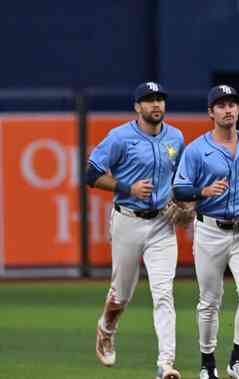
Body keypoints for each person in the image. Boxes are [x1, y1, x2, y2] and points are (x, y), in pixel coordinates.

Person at [88, 82, 185, 379]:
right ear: (137, 107)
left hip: (162, 224)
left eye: (159, 99)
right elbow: (91, 174)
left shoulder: (176, 137)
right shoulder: (120, 137)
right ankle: (106, 328)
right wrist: (127, 187)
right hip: (128, 220)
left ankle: (165, 364)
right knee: (121, 295)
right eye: (148, 100)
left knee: (164, 294)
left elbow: (182, 179)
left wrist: (185, 204)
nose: (156, 104)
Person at [173, 85, 239, 379]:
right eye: (221, 105)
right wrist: (203, 191)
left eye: (232, 104)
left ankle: (238, 358)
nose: (228, 110)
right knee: (209, 300)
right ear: (211, 112)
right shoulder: (196, 149)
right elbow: (178, 189)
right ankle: (207, 364)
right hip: (210, 231)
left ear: (238, 110)